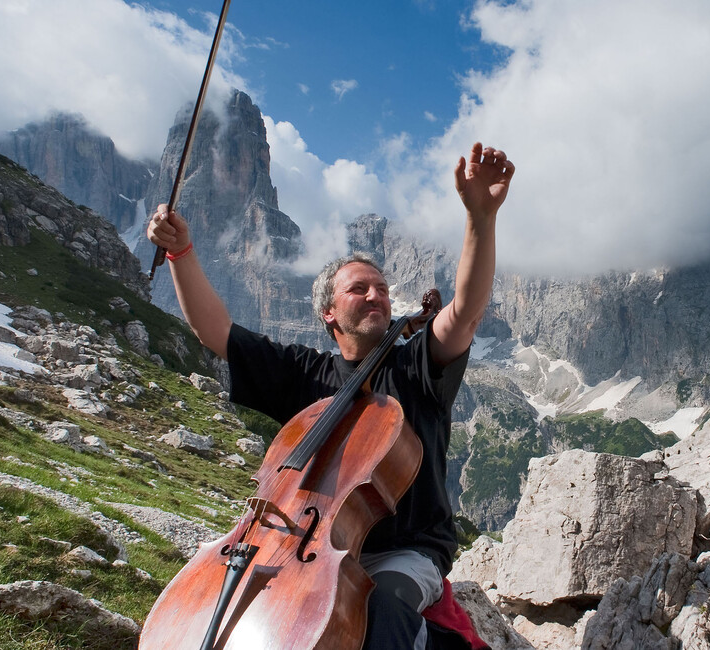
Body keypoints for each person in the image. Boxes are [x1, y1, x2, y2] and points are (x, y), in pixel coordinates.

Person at [146, 142, 514, 650]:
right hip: (306, 543)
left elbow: (466, 311)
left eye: (383, 290)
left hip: (402, 554)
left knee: (368, 612)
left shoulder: (415, 366)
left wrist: (480, 217)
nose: (376, 296)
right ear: (328, 313)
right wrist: (180, 254)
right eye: (359, 289)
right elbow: (217, 331)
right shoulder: (305, 373)